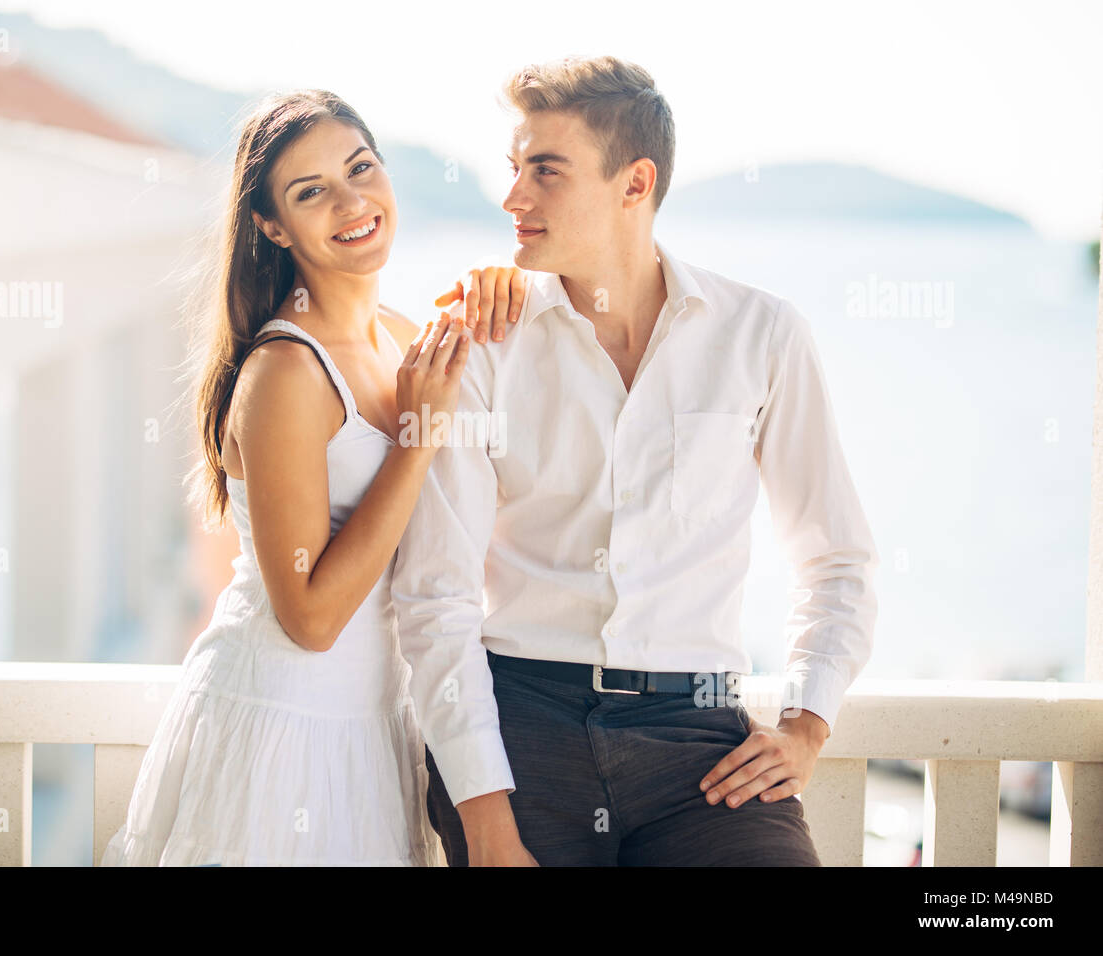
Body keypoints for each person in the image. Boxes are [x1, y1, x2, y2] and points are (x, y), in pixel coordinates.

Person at [391, 55, 880, 866]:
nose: (513, 197)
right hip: (522, 730)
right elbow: (436, 595)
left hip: (701, 745)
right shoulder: (482, 347)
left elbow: (836, 559)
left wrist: (806, 721)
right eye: (514, 169)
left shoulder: (760, 335)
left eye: (545, 171)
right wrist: (485, 820)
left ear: (634, 182)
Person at [101, 88, 526, 866]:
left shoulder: (405, 337)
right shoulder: (286, 372)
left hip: (374, 723)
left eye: (361, 167)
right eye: (311, 191)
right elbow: (311, 618)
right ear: (271, 225)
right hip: (283, 724)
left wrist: (514, 287)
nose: (351, 200)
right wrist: (419, 434)